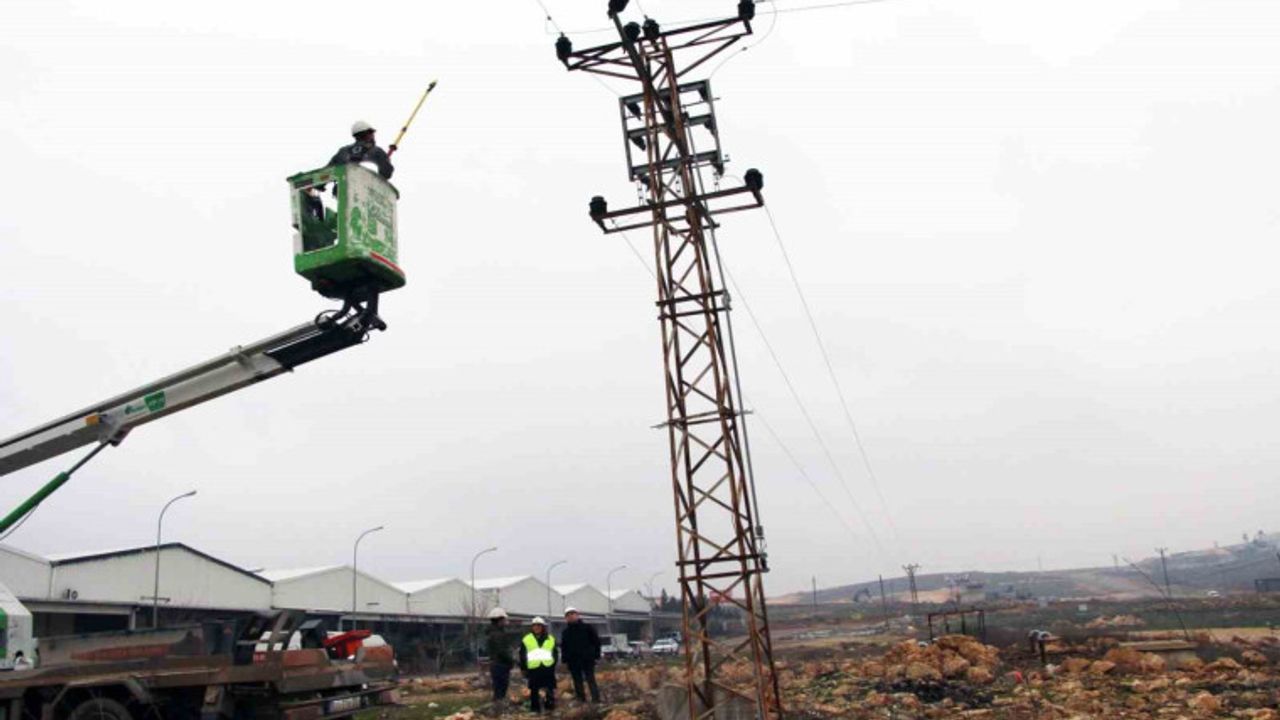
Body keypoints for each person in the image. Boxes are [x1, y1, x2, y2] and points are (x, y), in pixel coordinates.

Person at [560, 607, 602, 702]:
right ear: (566, 618)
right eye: (568, 615)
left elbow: (596, 642)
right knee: (577, 681)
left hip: (587, 659)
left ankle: (596, 700)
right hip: (573, 661)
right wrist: (565, 660)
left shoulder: (587, 628)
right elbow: (564, 647)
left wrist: (596, 655)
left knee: (590, 679)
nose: (570, 616)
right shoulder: (566, 632)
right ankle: (581, 700)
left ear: (577, 615)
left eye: (572, 614)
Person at [329, 120, 395, 180]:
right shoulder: (376, 151)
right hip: (365, 189)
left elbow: (326, 172)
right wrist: (386, 160)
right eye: (372, 133)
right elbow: (386, 173)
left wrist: (321, 185)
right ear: (368, 133)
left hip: (341, 190)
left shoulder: (343, 151)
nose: (373, 135)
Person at [518, 617, 558, 713]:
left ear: (543, 627)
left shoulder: (550, 639)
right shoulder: (527, 639)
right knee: (534, 689)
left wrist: (553, 664)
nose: (537, 627)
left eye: (539, 625)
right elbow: (522, 654)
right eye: (535, 625)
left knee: (549, 688)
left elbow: (555, 653)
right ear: (532, 627)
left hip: (547, 667)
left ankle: (550, 707)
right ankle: (535, 708)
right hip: (534, 668)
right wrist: (524, 668)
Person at [485, 607, 515, 704]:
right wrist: (512, 660)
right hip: (500, 665)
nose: (506, 621)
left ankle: (497, 707)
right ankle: (498, 709)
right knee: (500, 689)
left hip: (496, 664)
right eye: (504, 619)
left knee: (498, 688)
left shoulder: (492, 633)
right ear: (499, 620)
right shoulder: (497, 634)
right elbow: (502, 651)